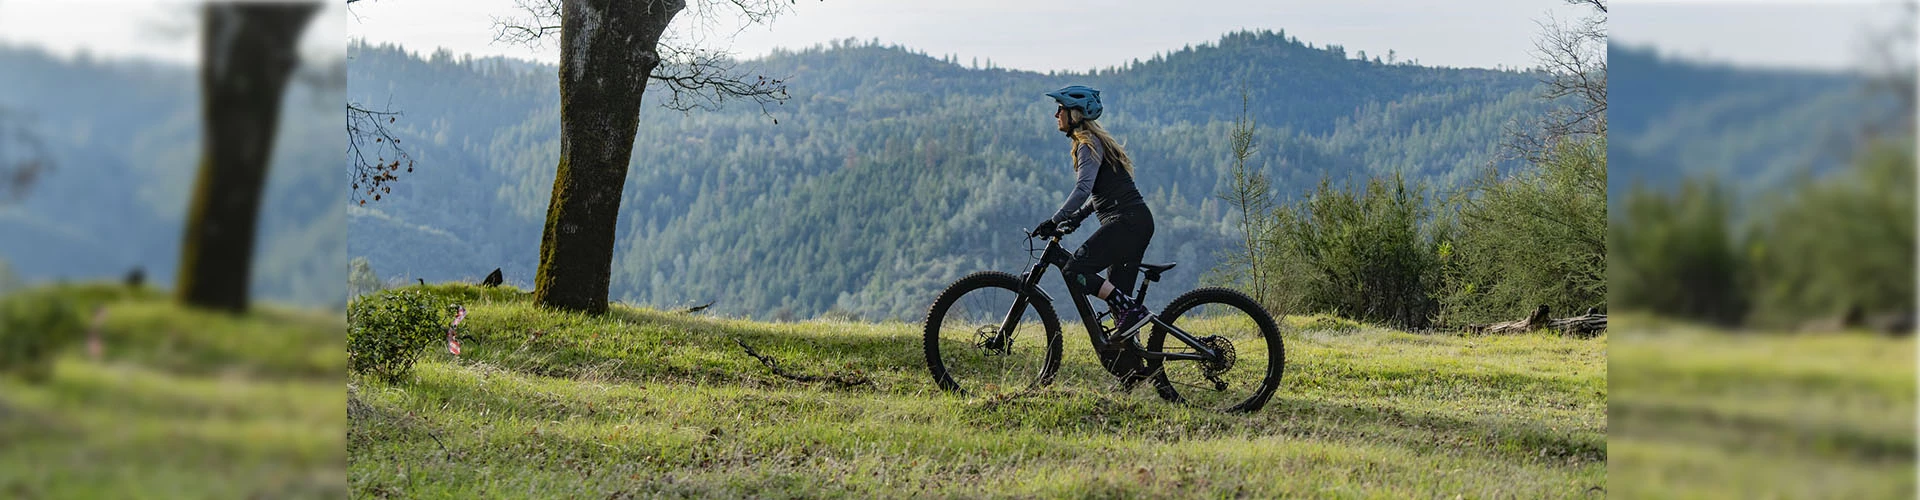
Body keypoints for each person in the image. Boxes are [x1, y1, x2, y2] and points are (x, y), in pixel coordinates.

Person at [1033, 85, 1156, 346]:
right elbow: (1100, 194)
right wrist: (1077, 217)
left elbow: (1082, 189)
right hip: (1135, 222)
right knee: (1119, 307)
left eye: (1060, 110)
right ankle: (1134, 372)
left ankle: (1129, 309)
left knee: (1073, 270)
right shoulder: (1095, 143)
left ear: (1074, 114)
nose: (1056, 115)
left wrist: (1054, 220)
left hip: (1126, 223)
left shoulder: (1087, 145)